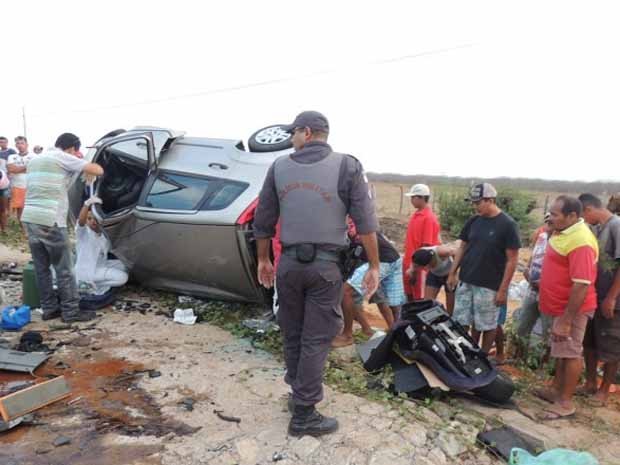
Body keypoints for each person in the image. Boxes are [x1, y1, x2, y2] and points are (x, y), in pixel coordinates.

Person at [253, 111, 380, 437]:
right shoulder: (347, 166)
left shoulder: (279, 167)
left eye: (294, 133)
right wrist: (375, 266)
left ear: (307, 132)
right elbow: (366, 223)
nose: (291, 139)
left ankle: (299, 397)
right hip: (324, 268)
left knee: (293, 333)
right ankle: (305, 414)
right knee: (316, 338)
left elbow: (263, 220)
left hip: (289, 266)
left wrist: (263, 260)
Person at [21, 133, 104, 323]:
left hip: (30, 218)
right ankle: (71, 312)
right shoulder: (62, 156)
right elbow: (98, 169)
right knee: (64, 268)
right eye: (76, 151)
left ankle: (49, 309)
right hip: (50, 219)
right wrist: (84, 164)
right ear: (71, 148)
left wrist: (80, 167)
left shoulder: (35, 159)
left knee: (42, 268)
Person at [536, 195, 598, 419]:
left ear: (572, 216)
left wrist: (566, 320)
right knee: (561, 352)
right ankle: (556, 391)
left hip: (572, 310)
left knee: (571, 353)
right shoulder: (563, 232)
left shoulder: (581, 241)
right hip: (559, 307)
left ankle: (565, 403)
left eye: (555, 214)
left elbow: (582, 284)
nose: (550, 218)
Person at [447, 183, 521, 354]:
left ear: (490, 200)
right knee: (461, 320)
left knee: (487, 324)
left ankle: (483, 357)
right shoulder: (474, 220)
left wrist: (502, 290)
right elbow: (462, 247)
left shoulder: (508, 225)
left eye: (478, 202)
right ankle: (461, 354)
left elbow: (512, 260)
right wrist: (452, 273)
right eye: (473, 202)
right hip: (466, 280)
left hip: (489, 285)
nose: (475, 206)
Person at [332, 222, 405, 348]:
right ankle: (396, 335)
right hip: (393, 259)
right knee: (392, 301)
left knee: (347, 292)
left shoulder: (351, 226)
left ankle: (347, 336)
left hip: (378, 262)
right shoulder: (360, 221)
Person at [579, 193, 620, 406]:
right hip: (595, 297)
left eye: (583, 216)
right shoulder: (597, 228)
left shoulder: (616, 226)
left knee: (611, 344)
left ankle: (604, 391)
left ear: (588, 210)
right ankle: (590, 383)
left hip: (612, 300)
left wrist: (611, 298)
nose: (584, 221)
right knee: (590, 342)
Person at [514, 212, 554, 360]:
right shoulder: (542, 237)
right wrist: (527, 269)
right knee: (522, 327)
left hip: (548, 294)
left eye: (552, 222)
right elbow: (534, 257)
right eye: (547, 222)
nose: (548, 226)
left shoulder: (562, 242)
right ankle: (519, 359)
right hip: (532, 290)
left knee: (548, 333)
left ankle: (543, 365)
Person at [75, 196, 128, 295]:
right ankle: (91, 286)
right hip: (88, 270)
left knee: (124, 265)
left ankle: (94, 283)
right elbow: (81, 222)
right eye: (89, 219)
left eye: (95, 219)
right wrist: (87, 204)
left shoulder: (103, 235)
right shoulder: (84, 233)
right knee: (123, 278)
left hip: (100, 265)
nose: (92, 221)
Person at [403, 184, 440, 300]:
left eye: (413, 197)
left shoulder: (428, 218)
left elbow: (426, 247)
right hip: (409, 263)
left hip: (419, 266)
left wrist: (415, 269)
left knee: (419, 298)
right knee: (409, 295)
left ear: (422, 198)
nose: (411, 200)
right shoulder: (416, 215)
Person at [407, 244, 456, 313]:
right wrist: (413, 276)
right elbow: (414, 266)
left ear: (429, 262)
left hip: (449, 274)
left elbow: (456, 254)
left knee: (451, 305)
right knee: (427, 303)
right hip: (434, 275)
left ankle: (450, 318)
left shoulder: (442, 251)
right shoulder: (418, 255)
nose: (425, 269)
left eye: (425, 267)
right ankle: (433, 319)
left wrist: (453, 274)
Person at [7, 136, 34, 228]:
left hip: (31, 186)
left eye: (22, 143)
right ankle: (24, 230)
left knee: (31, 209)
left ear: (27, 144)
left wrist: (17, 169)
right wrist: (27, 167)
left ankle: (31, 229)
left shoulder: (33, 156)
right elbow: (11, 169)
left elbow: (34, 169)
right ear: (15, 145)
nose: (20, 145)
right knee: (20, 209)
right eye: (18, 143)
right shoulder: (12, 156)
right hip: (17, 186)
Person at [0, 136, 16, 234]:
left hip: (7, 180)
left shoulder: (11, 151)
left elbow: (14, 164)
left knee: (5, 205)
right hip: (0, 178)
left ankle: (5, 227)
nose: (2, 143)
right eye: (0, 142)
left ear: (7, 142)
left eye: (3, 142)